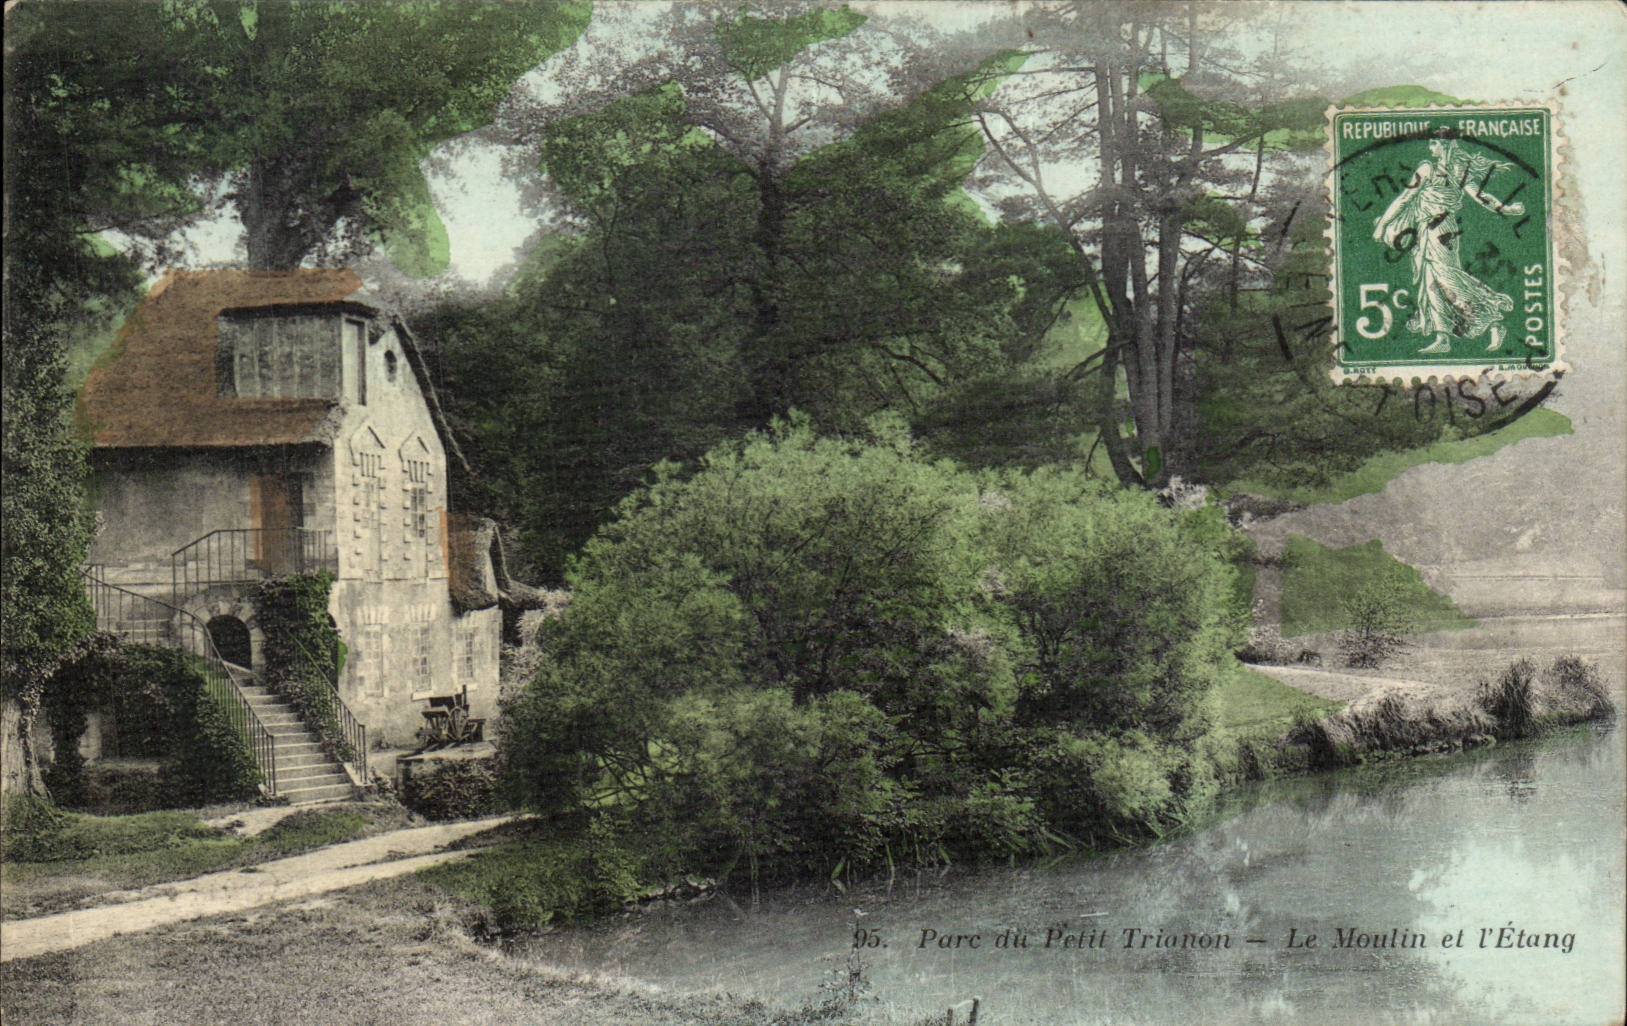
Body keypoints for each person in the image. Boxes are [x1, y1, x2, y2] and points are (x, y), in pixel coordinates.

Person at [1372, 135, 1526, 354]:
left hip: (1442, 230)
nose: (1430, 147)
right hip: (1428, 230)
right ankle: (1443, 338)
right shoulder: (1431, 169)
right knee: (1431, 282)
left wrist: (1505, 208)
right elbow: (1405, 198)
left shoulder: (1450, 170)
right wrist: (1385, 224)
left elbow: (1480, 197)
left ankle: (1492, 321)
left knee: (1446, 279)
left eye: (1434, 143)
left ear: (1445, 145)